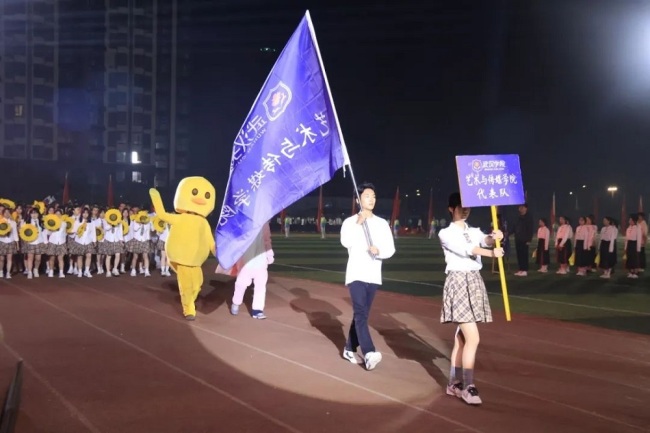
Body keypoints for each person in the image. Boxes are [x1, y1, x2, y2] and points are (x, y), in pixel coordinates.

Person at [438, 192, 503, 406]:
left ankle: (454, 383)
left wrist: (494, 237)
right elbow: (468, 249)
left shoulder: (473, 230)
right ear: (451, 208)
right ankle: (468, 386)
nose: (464, 210)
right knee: (473, 338)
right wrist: (491, 253)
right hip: (458, 282)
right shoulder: (445, 233)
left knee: (463, 338)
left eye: (468, 207)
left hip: (474, 281)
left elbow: (483, 239)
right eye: (460, 206)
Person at [340, 182, 395, 371]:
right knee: (361, 313)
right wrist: (358, 223)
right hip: (356, 273)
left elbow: (390, 249)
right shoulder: (350, 222)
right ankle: (369, 352)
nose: (371, 199)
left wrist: (378, 251)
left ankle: (349, 348)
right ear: (358, 199)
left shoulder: (381, 223)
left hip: (373, 275)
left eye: (373, 196)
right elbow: (345, 241)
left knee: (361, 314)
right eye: (367, 196)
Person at [230, 222, 274, 319]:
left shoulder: (265, 223)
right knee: (241, 284)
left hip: (261, 259)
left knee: (261, 286)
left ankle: (257, 310)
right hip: (246, 260)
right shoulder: (244, 222)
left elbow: (267, 240)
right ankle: (236, 302)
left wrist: (269, 254)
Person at [513, 203, 534, 276]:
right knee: (519, 255)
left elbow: (530, 229)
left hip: (525, 239)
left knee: (524, 255)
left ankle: (525, 270)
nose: (520, 208)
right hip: (518, 239)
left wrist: (529, 239)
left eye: (522, 207)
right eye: (519, 207)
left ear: (526, 208)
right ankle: (520, 269)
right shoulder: (518, 217)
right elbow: (514, 227)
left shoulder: (528, 217)